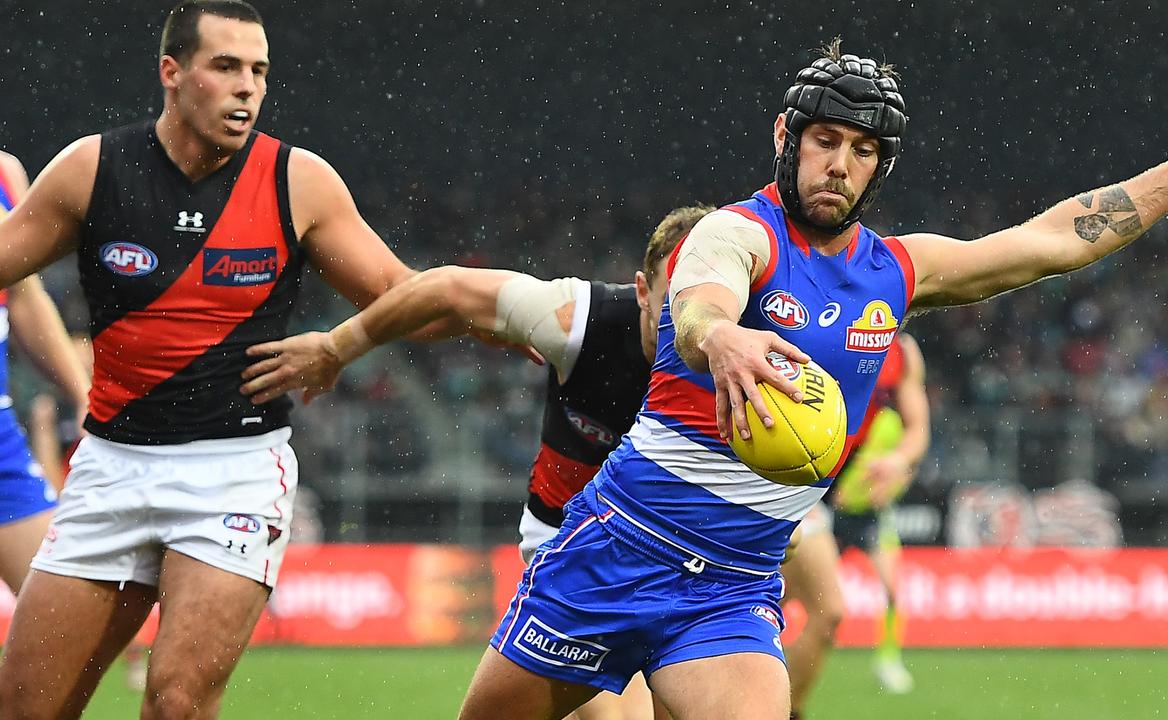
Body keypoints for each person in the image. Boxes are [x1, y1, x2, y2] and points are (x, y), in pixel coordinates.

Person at [445, 39, 1168, 720]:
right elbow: (701, 308)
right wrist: (721, 338)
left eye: (864, 149)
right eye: (827, 140)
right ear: (786, 137)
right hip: (616, 554)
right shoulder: (738, 234)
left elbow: (1057, 240)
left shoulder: (898, 272)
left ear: (880, 168)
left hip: (732, 588)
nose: (841, 164)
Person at [0, 2, 421, 716]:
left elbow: (403, 293)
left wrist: (342, 344)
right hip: (109, 467)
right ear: (172, 73)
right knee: (25, 705)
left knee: (177, 703)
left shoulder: (299, 179)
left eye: (258, 70)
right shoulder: (91, 168)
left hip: (232, 472)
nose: (247, 87)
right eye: (226, 67)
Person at [239, 205, 716, 720]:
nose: (690, 319)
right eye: (675, 296)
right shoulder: (578, 321)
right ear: (644, 291)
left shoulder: (752, 354)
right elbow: (446, 288)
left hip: (689, 552)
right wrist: (336, 347)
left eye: (706, 298)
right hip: (572, 546)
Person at [782, 332, 928, 717]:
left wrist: (899, 461)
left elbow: (917, 430)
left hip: (844, 495)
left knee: (828, 610)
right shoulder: (816, 324)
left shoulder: (904, 352)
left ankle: (786, 709)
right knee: (766, 603)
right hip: (792, 482)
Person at [0, 151, 91, 596]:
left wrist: (83, 394)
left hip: (2, 443)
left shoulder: (5, 172)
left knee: (56, 619)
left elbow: (23, 295)